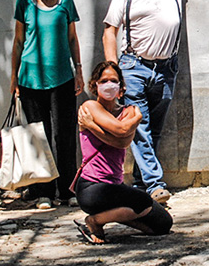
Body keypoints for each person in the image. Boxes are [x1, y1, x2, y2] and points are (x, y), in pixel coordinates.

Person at [102, 0, 190, 204]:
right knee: (139, 127)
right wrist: (113, 71)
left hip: (166, 68)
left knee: (153, 129)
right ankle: (154, 184)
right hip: (134, 67)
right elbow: (109, 31)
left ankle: (140, 183)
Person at [10, 0, 82, 209]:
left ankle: (67, 190)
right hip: (30, 80)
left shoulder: (66, 2)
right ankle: (43, 192)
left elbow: (73, 39)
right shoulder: (24, 4)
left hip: (62, 78)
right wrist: (14, 78)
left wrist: (79, 72)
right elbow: (18, 42)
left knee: (65, 136)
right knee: (38, 136)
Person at [73, 61, 173, 244]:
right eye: (103, 80)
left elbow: (125, 141)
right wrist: (135, 119)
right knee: (142, 201)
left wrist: (93, 126)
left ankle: (107, 215)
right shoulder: (90, 107)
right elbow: (120, 131)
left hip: (114, 187)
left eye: (113, 80)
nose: (109, 85)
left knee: (163, 224)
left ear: (121, 86)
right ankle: (93, 221)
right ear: (95, 84)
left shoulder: (127, 111)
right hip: (91, 187)